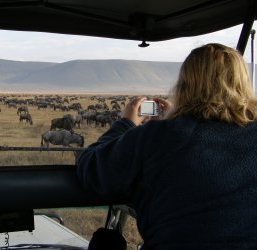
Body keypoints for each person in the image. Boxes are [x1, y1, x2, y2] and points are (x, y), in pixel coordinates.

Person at [76, 43, 257, 249]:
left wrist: (125, 123)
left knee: (106, 242)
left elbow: (91, 169)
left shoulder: (158, 135)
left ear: (184, 85)